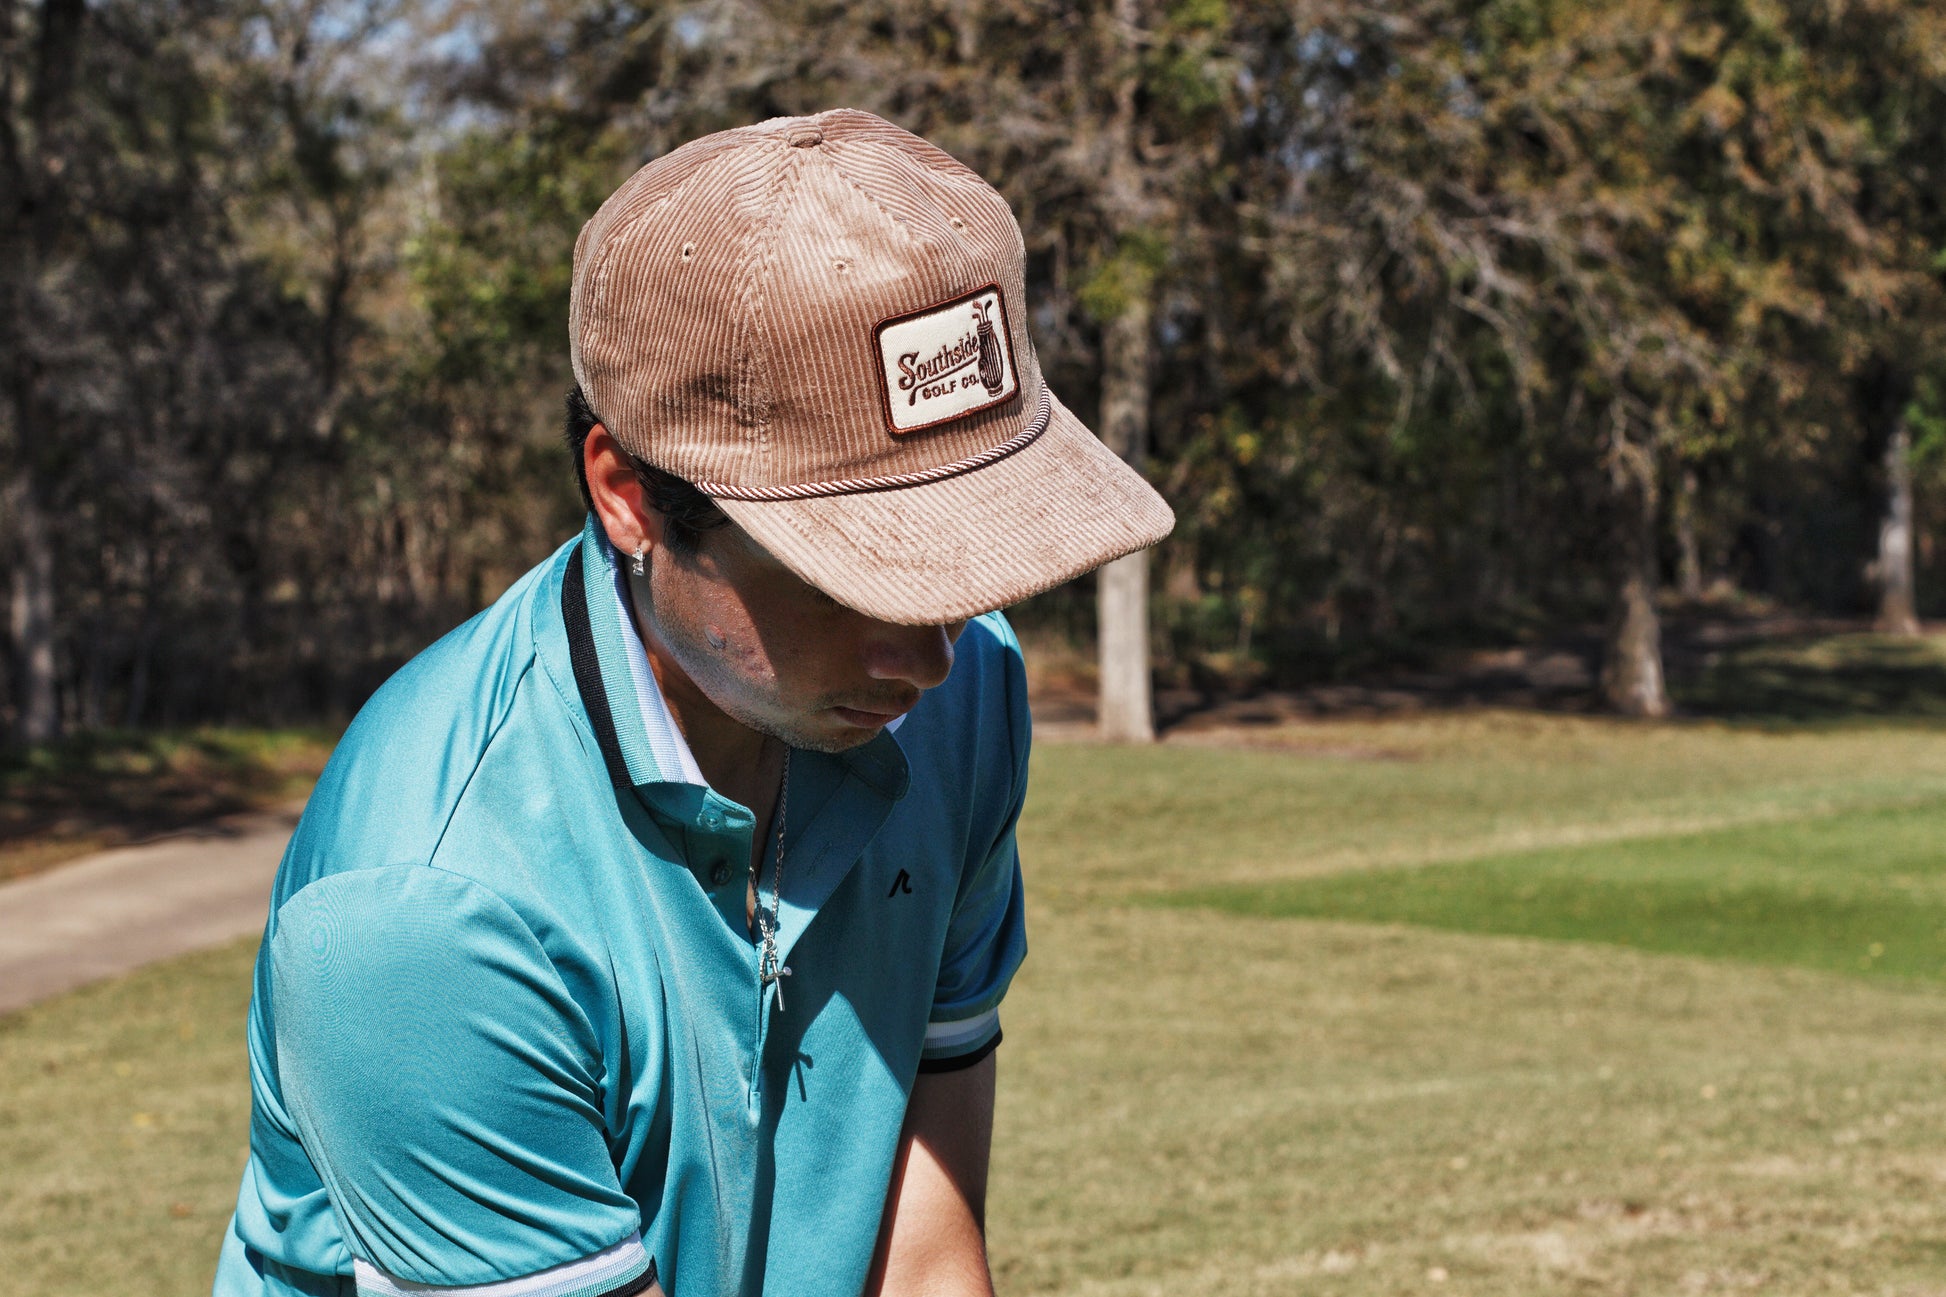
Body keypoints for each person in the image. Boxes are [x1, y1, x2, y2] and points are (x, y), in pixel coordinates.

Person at [212, 108, 1173, 1297]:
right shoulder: (421, 914)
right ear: (627, 494)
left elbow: (922, 1255)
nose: (927, 654)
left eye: (964, 555)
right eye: (855, 569)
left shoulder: (966, 686)